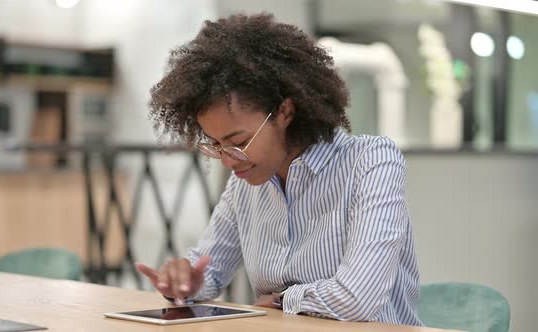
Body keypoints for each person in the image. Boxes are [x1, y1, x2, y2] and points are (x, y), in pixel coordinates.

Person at [136, 13, 421, 325]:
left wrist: (284, 298)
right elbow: (209, 270)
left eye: (238, 141)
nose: (228, 160)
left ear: (285, 111)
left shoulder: (372, 162)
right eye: (215, 145)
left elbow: (357, 300)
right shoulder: (245, 183)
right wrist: (187, 281)